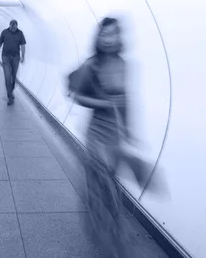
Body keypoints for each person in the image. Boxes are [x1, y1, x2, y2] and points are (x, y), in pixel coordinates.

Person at [68, 17, 164, 258]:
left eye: (113, 34)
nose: (108, 39)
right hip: (97, 133)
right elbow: (76, 96)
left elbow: (126, 100)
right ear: (98, 38)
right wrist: (104, 103)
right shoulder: (92, 65)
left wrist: (130, 132)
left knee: (109, 184)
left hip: (116, 135)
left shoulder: (124, 64)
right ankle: (116, 239)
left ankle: (106, 228)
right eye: (104, 34)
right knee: (105, 184)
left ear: (119, 37)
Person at [0, 20, 26, 105]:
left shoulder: (20, 33)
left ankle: (11, 91)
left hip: (16, 57)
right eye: (12, 27)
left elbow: (22, 45)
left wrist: (23, 56)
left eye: (15, 28)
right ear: (9, 25)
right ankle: (9, 96)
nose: (13, 29)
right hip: (5, 57)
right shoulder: (4, 32)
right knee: (7, 76)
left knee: (13, 76)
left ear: (17, 26)